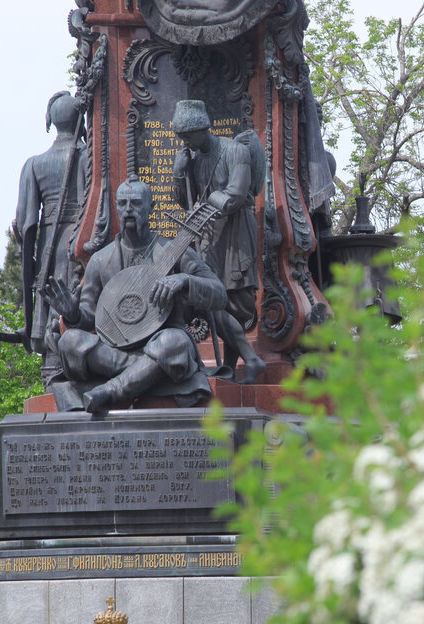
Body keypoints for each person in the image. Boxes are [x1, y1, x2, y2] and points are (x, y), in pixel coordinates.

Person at [43, 177, 226, 412]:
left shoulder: (173, 252)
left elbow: (219, 294)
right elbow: (91, 315)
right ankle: (146, 372)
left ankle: (112, 390)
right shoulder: (101, 260)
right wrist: (73, 315)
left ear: (151, 209)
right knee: (70, 341)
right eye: (122, 203)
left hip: (160, 341)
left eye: (137, 203)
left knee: (174, 342)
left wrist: (183, 280)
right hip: (117, 350)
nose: (128, 209)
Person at [171, 99, 266, 384]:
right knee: (214, 302)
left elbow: (235, 197)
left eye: (187, 135)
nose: (184, 141)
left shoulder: (235, 151)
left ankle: (248, 360)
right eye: (181, 137)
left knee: (235, 302)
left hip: (235, 235)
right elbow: (182, 201)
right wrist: (180, 171)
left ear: (203, 128)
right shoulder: (195, 160)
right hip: (210, 237)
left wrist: (207, 200)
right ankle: (242, 362)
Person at [13, 91, 87, 383]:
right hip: (78, 240)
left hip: (48, 244)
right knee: (74, 296)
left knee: (50, 295)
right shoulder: (87, 157)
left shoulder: (34, 164)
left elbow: (24, 224)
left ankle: (52, 367)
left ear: (52, 122)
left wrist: (28, 254)